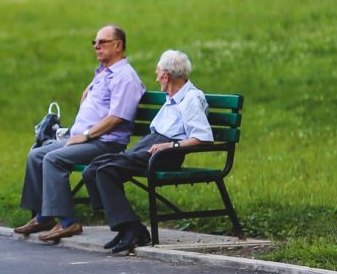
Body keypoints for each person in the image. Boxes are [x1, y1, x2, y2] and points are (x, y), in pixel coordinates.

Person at [15, 25, 146, 242]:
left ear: (118, 45)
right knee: (36, 154)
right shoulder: (105, 73)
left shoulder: (125, 77)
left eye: (102, 42)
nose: (96, 46)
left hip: (104, 143)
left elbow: (117, 118)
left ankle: (68, 222)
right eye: (94, 42)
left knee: (53, 159)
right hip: (85, 138)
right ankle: (44, 215)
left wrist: (85, 135)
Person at [82, 50, 213, 253]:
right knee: (94, 168)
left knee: (106, 170)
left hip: (165, 153)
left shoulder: (191, 98)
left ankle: (132, 229)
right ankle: (126, 226)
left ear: (166, 76)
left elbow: (203, 137)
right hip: (151, 146)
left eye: (157, 72)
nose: (156, 76)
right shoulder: (173, 97)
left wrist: (171, 146)